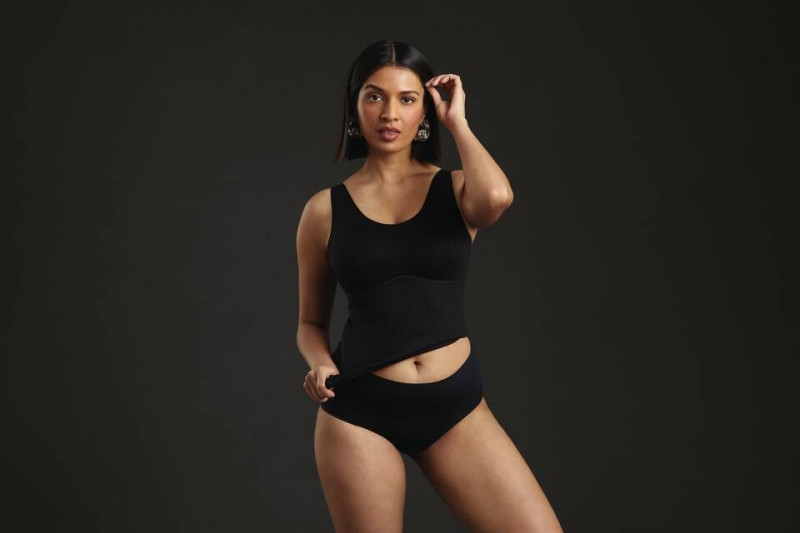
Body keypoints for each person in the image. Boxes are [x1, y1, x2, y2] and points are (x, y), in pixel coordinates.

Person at [295, 40, 563, 532]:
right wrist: (320, 363)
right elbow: (310, 322)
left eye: (407, 98)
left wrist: (457, 122)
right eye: (375, 97)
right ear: (354, 107)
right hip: (359, 410)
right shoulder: (323, 210)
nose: (390, 113)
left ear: (425, 111)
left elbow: (497, 197)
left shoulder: (456, 189)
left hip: (454, 406)